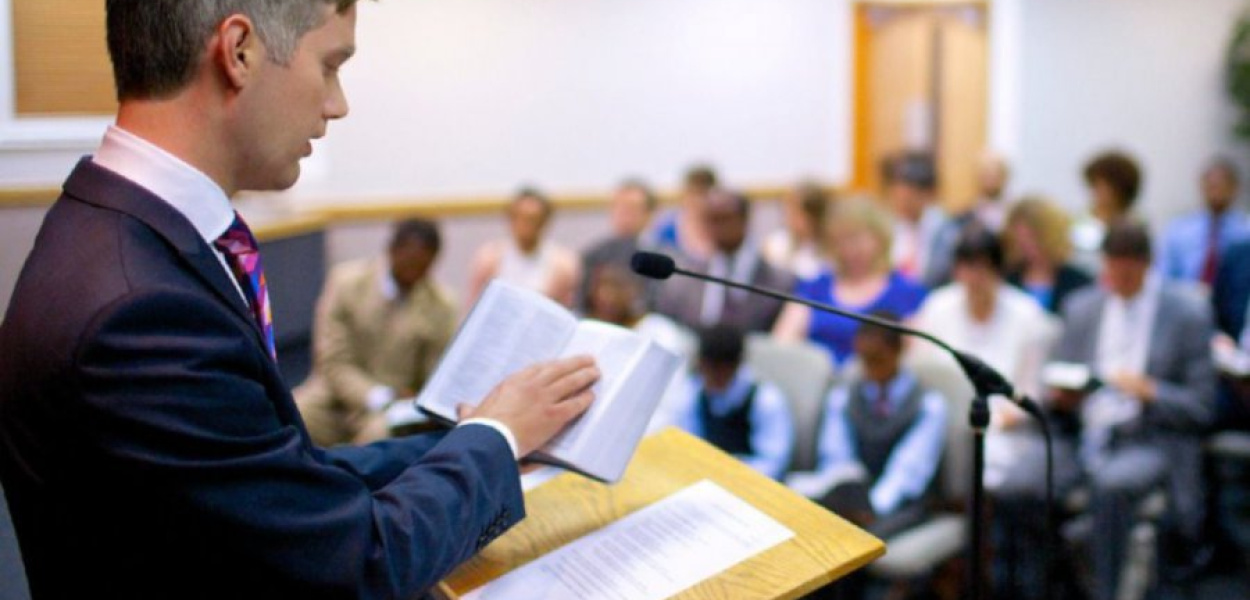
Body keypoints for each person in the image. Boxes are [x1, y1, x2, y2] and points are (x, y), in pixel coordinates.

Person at [0, 2, 601, 598]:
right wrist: (495, 438)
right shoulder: (137, 311)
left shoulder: (120, 232)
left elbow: (274, 483)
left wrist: (471, 441)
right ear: (239, 52)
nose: (338, 105)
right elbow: (355, 565)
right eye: (330, 65)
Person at [1041, 222, 1213, 600]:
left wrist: (1150, 390)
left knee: (1111, 485)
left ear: (1145, 265)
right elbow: (1057, 375)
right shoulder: (1083, 306)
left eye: (1127, 270)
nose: (1117, 277)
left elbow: (1202, 406)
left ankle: (1108, 590)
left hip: (1147, 436)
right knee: (1024, 482)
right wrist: (1064, 394)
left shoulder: (1186, 314)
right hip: (1084, 428)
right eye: (1111, 267)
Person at [294, 218, 457, 447]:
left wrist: (415, 400)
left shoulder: (440, 305)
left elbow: (435, 378)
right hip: (336, 397)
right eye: (410, 263)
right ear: (392, 250)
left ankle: (353, 481)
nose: (415, 274)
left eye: (424, 268)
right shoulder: (346, 284)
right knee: (292, 415)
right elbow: (332, 362)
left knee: (379, 436)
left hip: (395, 408)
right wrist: (377, 396)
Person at [788, 312, 946, 538]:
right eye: (864, 359)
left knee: (859, 541)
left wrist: (871, 508)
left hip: (899, 503)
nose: (870, 368)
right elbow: (837, 457)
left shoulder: (927, 405)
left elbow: (908, 472)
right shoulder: (844, 395)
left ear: (898, 351)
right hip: (855, 501)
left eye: (877, 359)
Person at [773, 199, 927, 368]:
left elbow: (916, 356)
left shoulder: (905, 291)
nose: (850, 249)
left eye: (858, 239)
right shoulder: (815, 287)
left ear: (881, 239)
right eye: (841, 240)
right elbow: (782, 344)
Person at [654, 188, 795, 333]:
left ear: (744, 220)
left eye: (723, 219)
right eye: (710, 220)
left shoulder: (780, 282)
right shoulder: (685, 279)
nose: (715, 229)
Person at [667, 325, 794, 480]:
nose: (710, 378)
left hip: (748, 483)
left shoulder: (765, 401)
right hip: (703, 478)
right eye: (706, 370)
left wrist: (728, 472)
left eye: (718, 372)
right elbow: (685, 443)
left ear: (735, 366)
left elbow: (773, 463)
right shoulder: (692, 391)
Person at [466, 186, 581, 309]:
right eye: (522, 218)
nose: (527, 226)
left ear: (545, 222)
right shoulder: (488, 259)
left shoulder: (563, 265)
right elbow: (475, 306)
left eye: (534, 219)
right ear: (510, 219)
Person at [1158, 157, 1250, 288]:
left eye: (1221, 186)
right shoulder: (1179, 230)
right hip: (1186, 300)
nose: (1216, 193)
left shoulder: (1245, 231)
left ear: (1234, 188)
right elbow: (1164, 276)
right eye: (1211, 186)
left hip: (1233, 301)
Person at [1002, 196, 1094, 315]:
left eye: (1032, 237)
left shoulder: (1080, 283)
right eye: (1020, 238)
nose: (1025, 244)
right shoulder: (1006, 280)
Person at [882, 151, 962, 288]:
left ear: (927, 194)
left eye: (909, 197)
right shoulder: (886, 226)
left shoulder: (947, 231)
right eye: (898, 196)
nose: (902, 202)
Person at [578, 179, 659, 311]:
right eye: (619, 208)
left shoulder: (662, 257)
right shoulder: (594, 255)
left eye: (632, 209)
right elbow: (583, 303)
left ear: (649, 214)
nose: (624, 215)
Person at [1071, 150, 1143, 273]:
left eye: (1102, 186)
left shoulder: (1136, 225)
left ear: (1119, 189)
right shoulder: (1080, 220)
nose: (1097, 192)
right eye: (1094, 185)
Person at [762, 180, 832, 281]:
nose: (791, 218)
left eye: (799, 213)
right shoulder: (775, 244)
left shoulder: (830, 250)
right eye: (790, 211)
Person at [650, 164, 718, 261]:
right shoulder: (666, 227)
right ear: (685, 194)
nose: (698, 201)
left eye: (703, 194)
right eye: (694, 193)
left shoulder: (721, 227)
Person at [965, 152, 1011, 233]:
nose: (988, 181)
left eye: (992, 175)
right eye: (985, 175)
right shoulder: (975, 207)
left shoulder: (1010, 206)